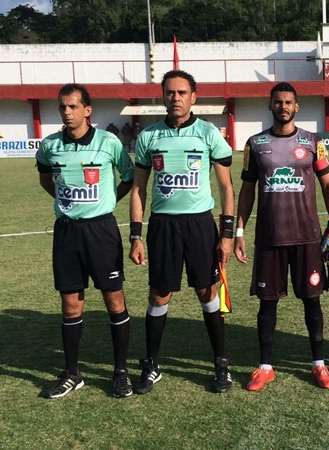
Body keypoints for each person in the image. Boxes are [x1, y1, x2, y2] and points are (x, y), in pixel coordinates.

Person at [129, 70, 235, 394]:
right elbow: (138, 189)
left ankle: (221, 363)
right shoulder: (149, 137)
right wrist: (136, 235)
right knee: (159, 294)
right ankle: (151, 364)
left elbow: (226, 187)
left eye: (182, 92)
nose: (175, 98)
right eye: (170, 92)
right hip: (163, 225)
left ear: (193, 97)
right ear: (163, 96)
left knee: (207, 291)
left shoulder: (208, 133)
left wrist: (227, 234)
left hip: (200, 224)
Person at [235, 82, 329, 392]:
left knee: (312, 301)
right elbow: (247, 190)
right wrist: (239, 230)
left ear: (297, 107)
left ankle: (319, 364)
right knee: (267, 303)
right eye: (278, 102)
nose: (283, 106)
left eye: (288, 102)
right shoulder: (255, 144)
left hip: (306, 237)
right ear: (270, 105)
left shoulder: (313, 142)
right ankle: (265, 367)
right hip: (270, 238)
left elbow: (328, 183)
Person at [36, 83, 134, 399]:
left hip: (101, 231)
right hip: (67, 232)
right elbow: (45, 178)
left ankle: (120, 372)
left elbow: (129, 177)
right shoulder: (50, 145)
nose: (66, 112)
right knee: (70, 304)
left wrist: (107, 201)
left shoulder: (109, 142)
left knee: (114, 300)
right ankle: (72, 373)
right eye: (62, 107)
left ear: (87, 110)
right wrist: (66, 202)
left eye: (73, 106)